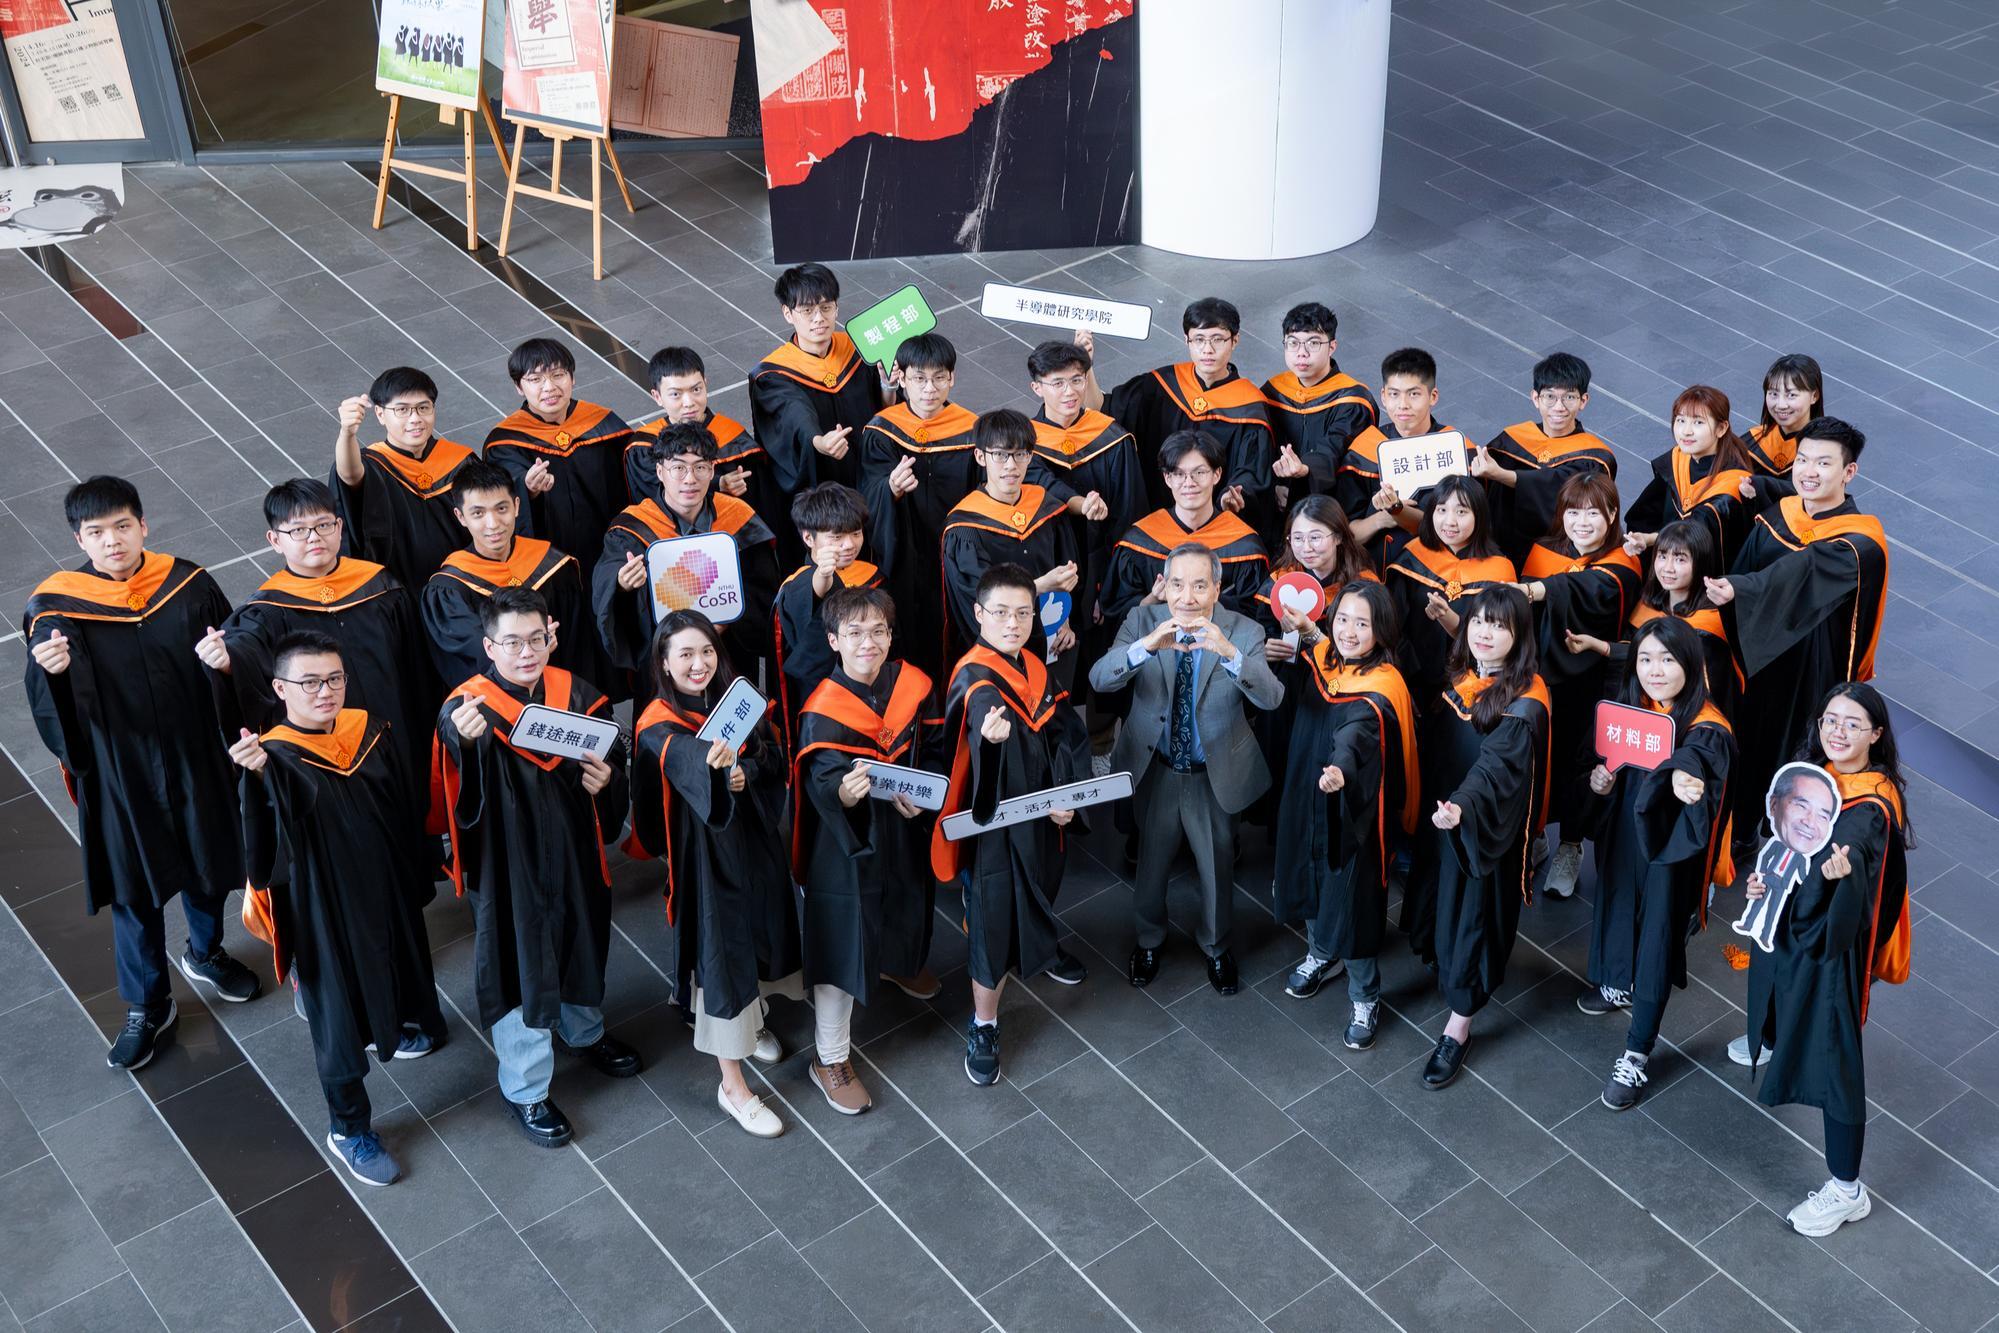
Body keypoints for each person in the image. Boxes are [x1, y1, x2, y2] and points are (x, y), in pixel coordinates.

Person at [24, 476, 261, 1070]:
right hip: (120, 770)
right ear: (79, 538)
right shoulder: (55, 607)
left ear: (144, 526)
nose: (112, 542)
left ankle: (205, 953)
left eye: (123, 527)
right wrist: (52, 674)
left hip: (193, 753)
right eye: (97, 533)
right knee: (134, 888)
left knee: (208, 862)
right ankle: (148, 1003)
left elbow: (231, 648)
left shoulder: (187, 583)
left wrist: (227, 661)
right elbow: (59, 716)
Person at [230, 631, 447, 1187]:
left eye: (334, 679)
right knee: (337, 1018)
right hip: (323, 906)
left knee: (400, 967)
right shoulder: (272, 757)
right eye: (308, 682)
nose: (324, 692)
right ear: (280, 688)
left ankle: (397, 1028)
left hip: (384, 886)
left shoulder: (367, 730)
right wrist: (257, 781)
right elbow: (263, 855)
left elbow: (398, 804)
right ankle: (349, 1128)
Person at [433, 588, 640, 1148]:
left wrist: (606, 783)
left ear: (551, 635)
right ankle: (525, 1087)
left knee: (579, 935)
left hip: (573, 850)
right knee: (519, 959)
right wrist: (464, 741)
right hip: (508, 864)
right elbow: (455, 778)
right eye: (511, 642)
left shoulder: (576, 693)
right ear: (487, 645)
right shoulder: (469, 708)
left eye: (536, 639)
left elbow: (612, 760)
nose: (526, 652)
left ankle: (583, 1031)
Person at [1740, 682, 1912, 1237]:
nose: (1837, 732)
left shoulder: (1870, 805)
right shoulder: (1817, 778)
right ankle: (1770, 1036)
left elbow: (1856, 861)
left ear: (1876, 735)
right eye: (1830, 720)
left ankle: (1845, 1189)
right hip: (1791, 927)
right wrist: (1765, 880)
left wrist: (1842, 877)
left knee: (1837, 1061)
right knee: (1780, 993)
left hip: (1831, 950)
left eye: (1852, 723)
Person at [628, 612, 802, 1138]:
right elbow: (686, 768)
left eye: (706, 651)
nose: (699, 664)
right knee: (721, 957)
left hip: (754, 845)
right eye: (685, 654)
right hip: (705, 858)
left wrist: (747, 770)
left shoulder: (738, 700)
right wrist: (717, 768)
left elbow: (773, 755)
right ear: (663, 662)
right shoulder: (658, 724)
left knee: (763, 930)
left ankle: (756, 1024)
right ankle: (734, 1086)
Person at [1090, 544, 1283, 992]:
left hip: (1212, 770)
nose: (1188, 597)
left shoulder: (1245, 630)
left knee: (1217, 865)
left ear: (1218, 587)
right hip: (1154, 767)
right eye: (1178, 584)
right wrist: (1143, 649)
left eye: (1200, 585)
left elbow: (1271, 698)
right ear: (1165, 585)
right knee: (1151, 863)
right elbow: (1100, 679)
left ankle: (1216, 946)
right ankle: (1149, 940)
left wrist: (1230, 653)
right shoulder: (1142, 621)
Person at [930, 564, 1091, 1086]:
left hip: (1043, 817)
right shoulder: (974, 679)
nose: (1013, 623)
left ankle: (1040, 942)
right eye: (1000, 612)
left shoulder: (1033, 667)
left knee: (1041, 885)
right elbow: (972, 747)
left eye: (1024, 612)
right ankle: (984, 1023)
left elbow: (1064, 733)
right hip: (993, 830)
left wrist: (1065, 795)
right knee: (992, 921)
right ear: (978, 614)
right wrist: (991, 745)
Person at [790, 586, 945, 1110]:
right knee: (843, 937)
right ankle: (829, 1058)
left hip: (901, 828)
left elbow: (936, 750)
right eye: (854, 633)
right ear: (833, 640)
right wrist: (841, 793)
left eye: (878, 630)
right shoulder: (822, 712)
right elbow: (819, 788)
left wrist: (923, 795)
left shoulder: (911, 685)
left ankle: (896, 962)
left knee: (904, 901)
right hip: (845, 844)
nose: (868, 642)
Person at [1575, 617, 1734, 1111]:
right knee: (1618, 909)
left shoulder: (1707, 726)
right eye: (1645, 658)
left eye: (1668, 659)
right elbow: (1595, 760)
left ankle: (1638, 1050)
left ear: (1692, 664)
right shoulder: (1627, 711)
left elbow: (1697, 766)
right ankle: (1617, 983)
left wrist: (1688, 784)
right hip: (1623, 837)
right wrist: (1598, 783)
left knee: (1657, 939)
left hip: (1668, 849)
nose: (1655, 670)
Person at [1706, 418, 1887, 853]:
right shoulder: (1781, 515)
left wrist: (1742, 588)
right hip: (1756, 656)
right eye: (1802, 459)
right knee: (1747, 737)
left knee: (1792, 746)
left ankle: (1784, 840)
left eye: (1823, 463)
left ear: (1848, 473)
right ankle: (1742, 825)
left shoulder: (1859, 543)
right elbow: (1751, 557)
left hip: (1809, 670)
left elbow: (1803, 569)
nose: (1809, 470)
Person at [207, 480, 433, 801]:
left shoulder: (381, 587)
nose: (314, 537)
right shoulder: (266, 611)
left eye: (323, 524)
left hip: (396, 736)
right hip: (320, 756)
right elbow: (245, 653)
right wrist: (228, 662)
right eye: (298, 530)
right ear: (274, 540)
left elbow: (418, 667)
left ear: (339, 527)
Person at [1409, 586, 1550, 1089]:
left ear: (1519, 636)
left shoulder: (1525, 703)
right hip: (1443, 818)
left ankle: (1459, 1023)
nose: (1486, 633)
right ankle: (1441, 962)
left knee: (1472, 916)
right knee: (1440, 900)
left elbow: (1494, 772)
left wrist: (1462, 809)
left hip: (1481, 829)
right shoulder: (1464, 679)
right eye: (1478, 623)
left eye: (1499, 625)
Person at [1273, 582, 1417, 1050]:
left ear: (1382, 630)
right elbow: (1327, 655)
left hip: (1352, 812)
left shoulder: (1384, 687)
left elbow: (1355, 734)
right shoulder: (1324, 659)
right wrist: (1312, 632)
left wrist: (1340, 769)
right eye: (1343, 620)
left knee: (1348, 899)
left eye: (1363, 623)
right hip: (1306, 795)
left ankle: (1365, 994)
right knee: (1308, 876)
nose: (1350, 632)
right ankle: (1320, 953)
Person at [1514, 473, 1642, 899]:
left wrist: (1534, 590)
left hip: (1593, 684)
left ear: (1612, 515)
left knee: (1579, 765)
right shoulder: (1547, 553)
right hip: (1543, 676)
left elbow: (1589, 588)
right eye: (1572, 512)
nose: (1581, 522)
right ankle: (1536, 836)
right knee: (1538, 758)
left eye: (1593, 512)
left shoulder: (1622, 566)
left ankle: (1571, 846)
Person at [593, 422, 780, 705]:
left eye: (700, 467)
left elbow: (763, 590)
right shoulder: (634, 528)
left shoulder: (738, 518)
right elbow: (607, 578)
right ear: (660, 472)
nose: (690, 479)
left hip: (728, 652)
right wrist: (621, 584)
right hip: (665, 660)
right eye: (678, 468)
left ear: (712, 471)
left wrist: (725, 623)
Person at [1026, 339, 1143, 693]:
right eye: (1057, 383)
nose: (1069, 391)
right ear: (1037, 387)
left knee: (1095, 661)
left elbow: (1129, 516)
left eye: (1077, 380)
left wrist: (1109, 588)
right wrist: (1079, 503)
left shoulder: (1112, 440)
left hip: (1098, 569)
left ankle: (1097, 737)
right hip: (1046, 568)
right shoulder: (1024, 443)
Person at [1100, 297, 1276, 533]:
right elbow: (1108, 409)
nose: (1207, 349)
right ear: (1187, 340)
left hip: (1214, 523)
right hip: (1155, 515)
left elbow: (1252, 470)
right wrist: (1085, 364)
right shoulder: (1162, 384)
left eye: (1218, 339)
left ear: (1235, 341)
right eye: (1199, 339)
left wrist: (1230, 495)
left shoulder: (1250, 406)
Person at [422, 459, 600, 690]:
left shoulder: (552, 564)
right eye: (478, 513)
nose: (493, 524)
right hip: (499, 705)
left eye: (501, 508)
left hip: (563, 691)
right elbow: (467, 660)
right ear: (461, 517)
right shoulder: (451, 588)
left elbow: (580, 645)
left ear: (517, 506)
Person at [749, 263, 885, 558]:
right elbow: (794, 412)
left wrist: (887, 385)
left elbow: (882, 406)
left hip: (866, 472)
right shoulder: (772, 374)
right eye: (807, 311)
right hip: (819, 481)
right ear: (788, 313)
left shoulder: (857, 349)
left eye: (826, 308)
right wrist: (818, 441)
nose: (819, 319)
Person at [941, 409, 1081, 681]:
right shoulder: (966, 528)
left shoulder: (1046, 507)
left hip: (1051, 638)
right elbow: (977, 598)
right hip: (998, 653)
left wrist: (1065, 620)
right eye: (1000, 455)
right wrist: (1039, 586)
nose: (1011, 465)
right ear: (980, 456)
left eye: (1020, 454)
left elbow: (1066, 571)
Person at [483, 338, 634, 572]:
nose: (549, 387)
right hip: (550, 559)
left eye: (558, 375)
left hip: (609, 549)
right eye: (535, 379)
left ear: (572, 378)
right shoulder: (506, 443)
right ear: (519, 387)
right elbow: (498, 501)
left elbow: (633, 479)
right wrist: (528, 488)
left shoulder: (604, 425)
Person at [1565, 519, 1738, 717]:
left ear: (1700, 564)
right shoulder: (1648, 605)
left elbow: (1708, 689)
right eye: (1662, 556)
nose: (1668, 568)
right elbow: (1634, 652)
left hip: (1684, 721)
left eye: (1681, 559)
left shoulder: (1710, 622)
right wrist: (1596, 645)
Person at [330, 368, 477, 590]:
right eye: (402, 410)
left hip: (463, 583)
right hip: (400, 590)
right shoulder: (373, 465)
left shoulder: (461, 460)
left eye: (423, 408)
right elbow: (349, 474)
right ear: (380, 414)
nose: (415, 418)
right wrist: (347, 433)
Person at [1103, 430, 1269, 621]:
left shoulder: (1244, 545)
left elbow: (1253, 617)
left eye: (1199, 472)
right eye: (1179, 474)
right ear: (1167, 478)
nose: (1189, 483)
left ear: (1217, 474)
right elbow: (1117, 614)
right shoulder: (1140, 539)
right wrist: (1153, 599)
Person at [1471, 352, 1617, 564]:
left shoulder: (1594, 457)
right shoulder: (1512, 440)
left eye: (1569, 397)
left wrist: (1503, 475)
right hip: (1500, 548)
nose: (1559, 407)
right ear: (1535, 398)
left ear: (1583, 401)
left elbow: (1559, 484)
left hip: (1559, 557)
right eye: (1550, 396)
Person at [1384, 475, 1517, 708]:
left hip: (1471, 685)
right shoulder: (1413, 557)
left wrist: (1449, 618)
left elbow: (1501, 638)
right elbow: (1394, 625)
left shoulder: (1500, 570)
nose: (1450, 521)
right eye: (1441, 510)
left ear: (1480, 516)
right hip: (1411, 676)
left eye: (1462, 512)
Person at [1337, 347, 1466, 572]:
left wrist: (1398, 512)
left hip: (1438, 576)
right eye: (1394, 394)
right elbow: (1347, 534)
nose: (1403, 404)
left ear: (1432, 396)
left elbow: (1463, 530)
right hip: (1374, 577)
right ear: (1383, 397)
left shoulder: (1453, 450)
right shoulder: (1364, 450)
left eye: (1414, 394)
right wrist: (1381, 519)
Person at [772, 483, 883, 745]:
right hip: (824, 699)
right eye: (836, 537)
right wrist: (823, 574)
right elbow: (816, 590)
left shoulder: (870, 573)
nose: (849, 544)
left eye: (856, 533)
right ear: (808, 538)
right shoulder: (800, 584)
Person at [624, 346, 773, 521]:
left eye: (696, 390)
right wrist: (717, 484)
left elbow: (761, 502)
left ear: (705, 384)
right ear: (657, 397)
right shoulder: (644, 447)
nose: (689, 403)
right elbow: (651, 496)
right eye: (675, 394)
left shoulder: (733, 438)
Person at [1623, 385, 1756, 565]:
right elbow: (1645, 513)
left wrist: (1651, 539)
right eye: (1680, 420)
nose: (1686, 431)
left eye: (1698, 422)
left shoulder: (1732, 484)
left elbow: (1702, 538)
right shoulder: (1679, 459)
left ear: (1721, 428)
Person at [1261, 302, 1379, 502]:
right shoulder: (1272, 391)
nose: (1302, 353)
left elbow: (1335, 446)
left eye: (1313, 343)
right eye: (1293, 343)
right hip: (1275, 497)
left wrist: (1305, 469)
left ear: (1332, 347)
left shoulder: (1352, 400)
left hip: (1331, 503)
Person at [1743, 353, 1824, 481]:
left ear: (1814, 396)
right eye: (1773, 394)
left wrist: (1760, 487)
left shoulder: (1827, 449)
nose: (1781, 405)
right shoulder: (1753, 441)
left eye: (1791, 395)